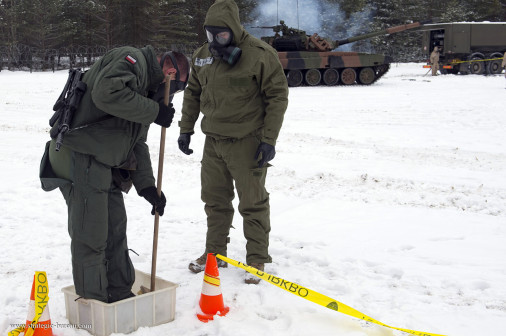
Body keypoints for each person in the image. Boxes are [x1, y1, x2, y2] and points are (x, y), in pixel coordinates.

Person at [39, 45, 189, 303]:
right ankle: (93, 306)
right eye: (173, 88)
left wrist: (147, 188)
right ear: (169, 71)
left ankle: (120, 296)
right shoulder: (131, 60)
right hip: (80, 154)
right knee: (92, 236)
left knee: (116, 230)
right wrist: (154, 111)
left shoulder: (145, 93)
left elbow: (137, 143)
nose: (169, 95)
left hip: (103, 163)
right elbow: (106, 93)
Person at [177, 0, 289, 284]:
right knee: (215, 201)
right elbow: (192, 92)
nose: (215, 41)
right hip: (213, 141)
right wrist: (186, 129)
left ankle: (256, 259)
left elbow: (277, 97)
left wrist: (268, 140)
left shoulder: (261, 55)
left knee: (252, 202)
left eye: (222, 35)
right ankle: (214, 254)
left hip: (247, 141)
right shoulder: (202, 55)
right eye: (210, 35)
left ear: (235, 30)